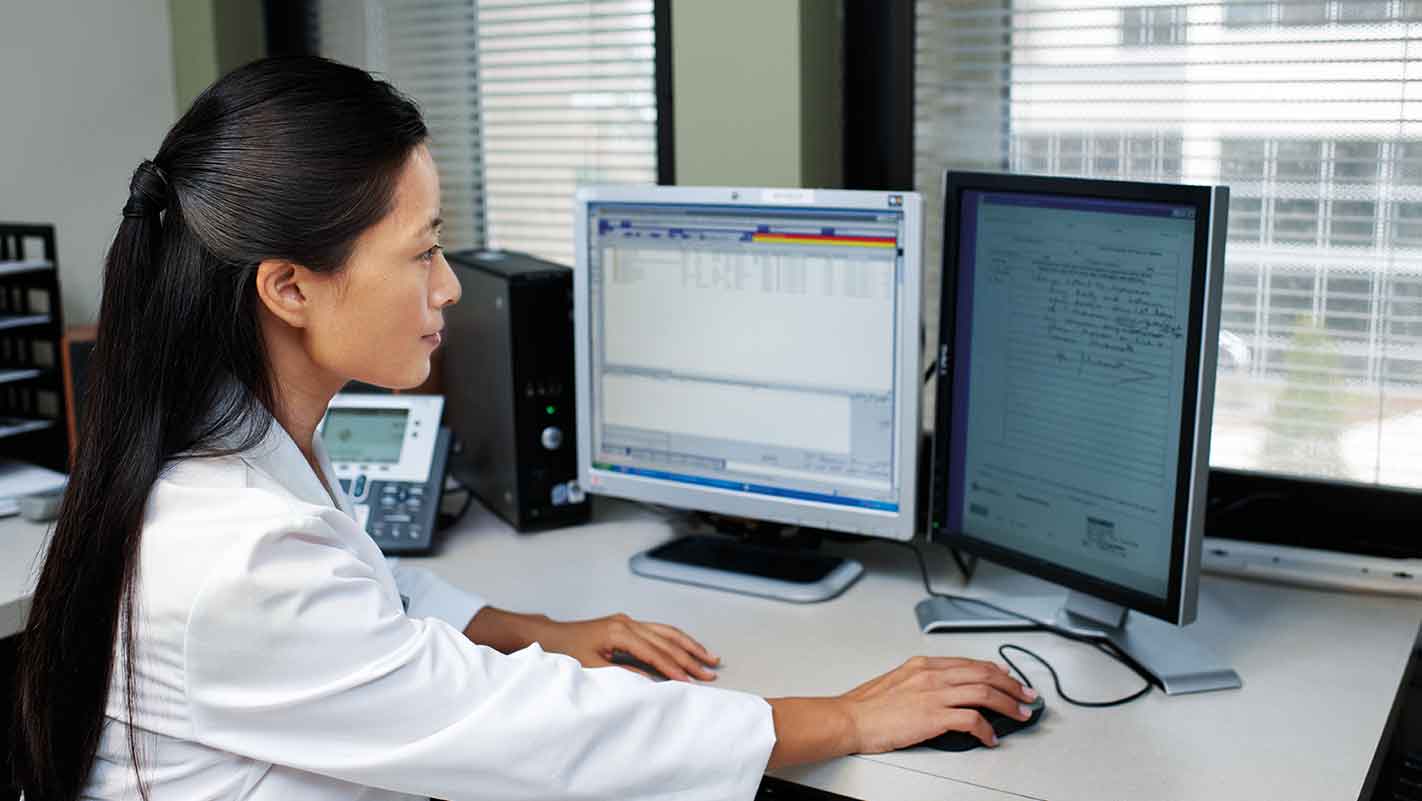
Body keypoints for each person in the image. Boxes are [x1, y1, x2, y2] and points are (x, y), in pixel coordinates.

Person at [11, 56, 1036, 801]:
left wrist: (547, 631)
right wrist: (845, 718)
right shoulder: (236, 553)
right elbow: (536, 732)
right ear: (288, 287)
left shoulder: (220, 452)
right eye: (422, 253)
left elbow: (377, 598)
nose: (449, 287)